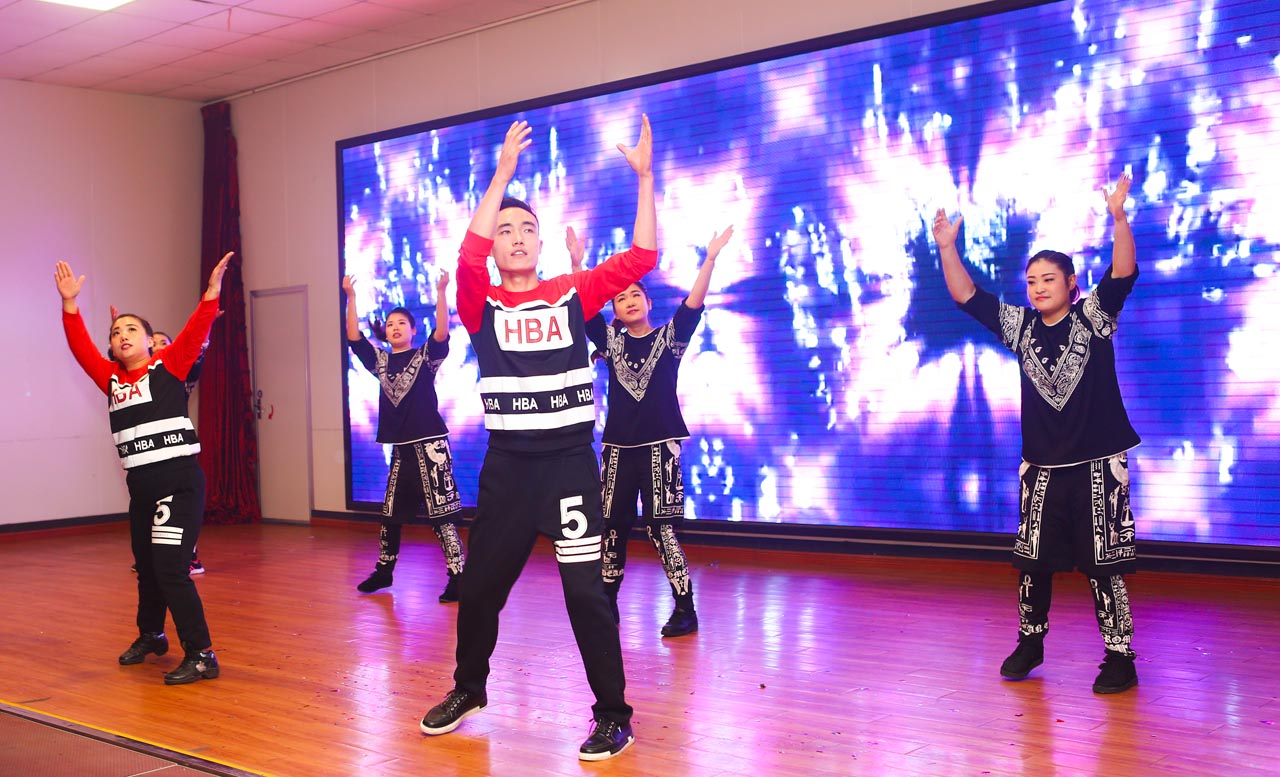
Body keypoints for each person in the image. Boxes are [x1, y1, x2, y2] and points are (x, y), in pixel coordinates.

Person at [418, 116, 657, 762]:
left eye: (526, 228)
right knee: (478, 590)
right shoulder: (481, 305)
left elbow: (642, 259)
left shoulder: (571, 294)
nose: (516, 236)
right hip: (508, 473)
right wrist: (502, 175)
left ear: (541, 242)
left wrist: (644, 179)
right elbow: (466, 257)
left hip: (569, 470)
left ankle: (614, 717)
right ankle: (469, 689)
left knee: (586, 594)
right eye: (505, 230)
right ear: (494, 248)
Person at [932, 173, 1141, 694]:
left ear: (1071, 284)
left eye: (1049, 279)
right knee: (1032, 563)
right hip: (1043, 468)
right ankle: (1031, 642)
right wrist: (947, 247)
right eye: (1031, 281)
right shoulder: (1021, 328)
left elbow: (1122, 272)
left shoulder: (1093, 317)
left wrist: (1118, 218)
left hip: (1097, 465)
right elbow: (967, 296)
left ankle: (1120, 658)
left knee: (1104, 565)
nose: (1039, 287)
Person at [56, 252, 233, 685]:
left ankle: (202, 654)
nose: (122, 335)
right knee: (147, 569)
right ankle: (152, 635)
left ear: (152, 341)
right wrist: (70, 305)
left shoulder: (169, 365)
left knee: (171, 569)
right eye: (116, 332)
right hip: (141, 488)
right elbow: (80, 349)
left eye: (131, 329)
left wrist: (211, 293)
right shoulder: (111, 379)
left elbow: (194, 332)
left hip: (179, 485)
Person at [573, 225, 734, 638]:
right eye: (620, 297)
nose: (628, 300)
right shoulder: (610, 342)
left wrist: (710, 259)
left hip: (660, 449)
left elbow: (693, 304)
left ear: (648, 302)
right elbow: (584, 306)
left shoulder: (669, 340)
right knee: (612, 526)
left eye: (635, 295)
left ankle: (684, 608)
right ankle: (607, 603)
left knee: (661, 529)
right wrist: (576, 263)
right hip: (617, 450)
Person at [343, 271, 465, 601]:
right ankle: (384, 571)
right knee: (390, 515)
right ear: (385, 331)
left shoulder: (425, 357)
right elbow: (354, 339)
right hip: (402, 450)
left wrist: (441, 291)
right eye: (390, 324)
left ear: (413, 330)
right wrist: (351, 297)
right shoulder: (381, 362)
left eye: (402, 323)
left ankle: (458, 577)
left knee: (442, 517)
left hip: (432, 447)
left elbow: (442, 332)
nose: (395, 327)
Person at [150, 328, 206, 576]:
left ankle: (190, 557)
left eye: (164, 342)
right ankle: (153, 558)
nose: (158, 346)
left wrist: (205, 332)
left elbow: (196, 362)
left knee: (181, 505)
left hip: (177, 448)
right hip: (151, 450)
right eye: (154, 342)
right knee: (155, 505)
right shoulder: (141, 376)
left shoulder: (179, 373)